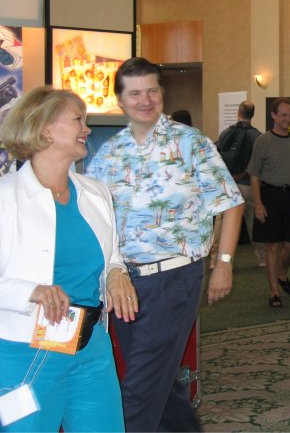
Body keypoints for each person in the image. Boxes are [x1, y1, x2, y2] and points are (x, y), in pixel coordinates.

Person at [86, 57, 244, 432]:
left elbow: (231, 203)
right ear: (120, 100)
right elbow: (94, 213)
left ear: (162, 93)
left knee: (139, 387)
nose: (146, 100)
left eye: (152, 90)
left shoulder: (190, 143)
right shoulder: (110, 153)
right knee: (159, 379)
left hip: (175, 277)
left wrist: (224, 262)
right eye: (135, 93)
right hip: (124, 283)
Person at [0, 87, 137, 432]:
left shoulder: (96, 192)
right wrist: (31, 291)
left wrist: (116, 273)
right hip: (25, 352)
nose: (87, 129)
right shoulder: (5, 197)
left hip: (91, 345)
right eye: (78, 119)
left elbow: (111, 255)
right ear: (46, 128)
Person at [247, 97, 290, 308]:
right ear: (273, 115)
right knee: (272, 246)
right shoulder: (263, 141)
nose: (288, 118)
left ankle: (282, 273)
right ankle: (274, 291)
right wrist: (258, 204)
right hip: (270, 196)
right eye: (283, 114)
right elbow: (254, 174)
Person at [211, 101, 265, 268]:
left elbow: (217, 156)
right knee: (254, 223)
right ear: (252, 114)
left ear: (238, 113)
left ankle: (215, 260)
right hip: (249, 185)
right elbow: (260, 163)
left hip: (228, 186)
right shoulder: (257, 136)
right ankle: (262, 258)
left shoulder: (226, 133)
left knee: (222, 224)